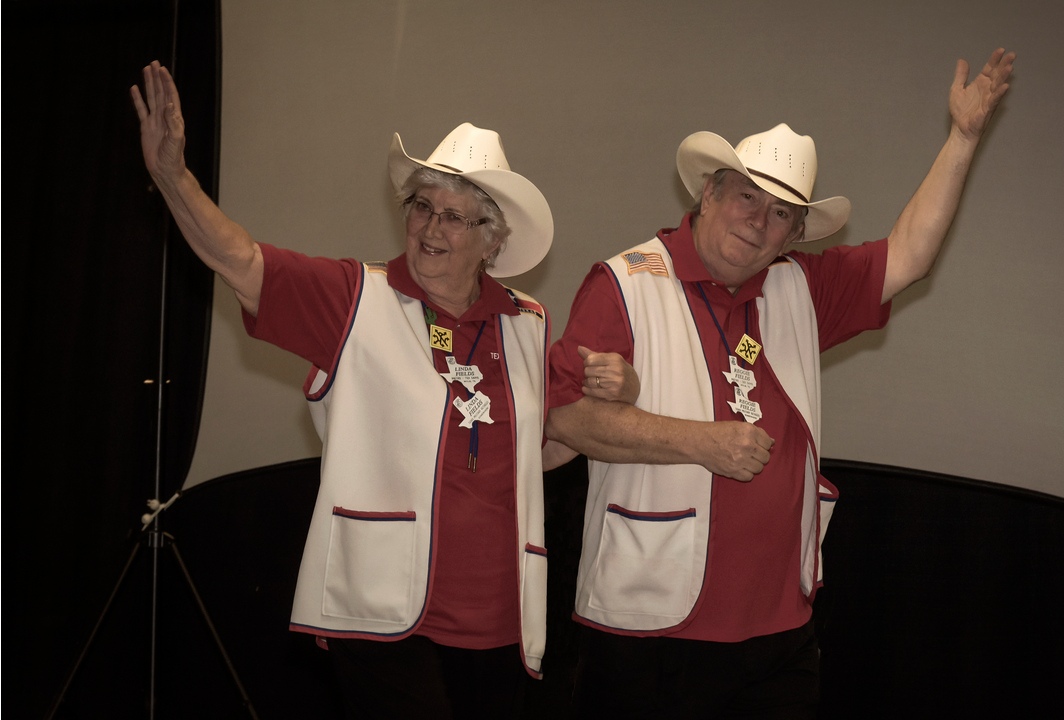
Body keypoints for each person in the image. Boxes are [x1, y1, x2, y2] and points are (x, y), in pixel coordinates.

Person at [131, 61, 638, 718]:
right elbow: (242, 261)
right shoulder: (355, 298)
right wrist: (174, 176)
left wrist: (618, 393)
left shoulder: (526, 322)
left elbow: (540, 450)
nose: (430, 228)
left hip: (498, 619)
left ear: (491, 240)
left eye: (453, 217)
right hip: (380, 609)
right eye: (422, 207)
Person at [544, 48, 1015, 718]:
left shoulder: (798, 289)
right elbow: (565, 418)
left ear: (794, 235)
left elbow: (909, 254)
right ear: (708, 193)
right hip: (650, 632)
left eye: (780, 215)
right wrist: (702, 442)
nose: (757, 223)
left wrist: (962, 139)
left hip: (780, 634)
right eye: (747, 198)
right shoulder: (626, 283)